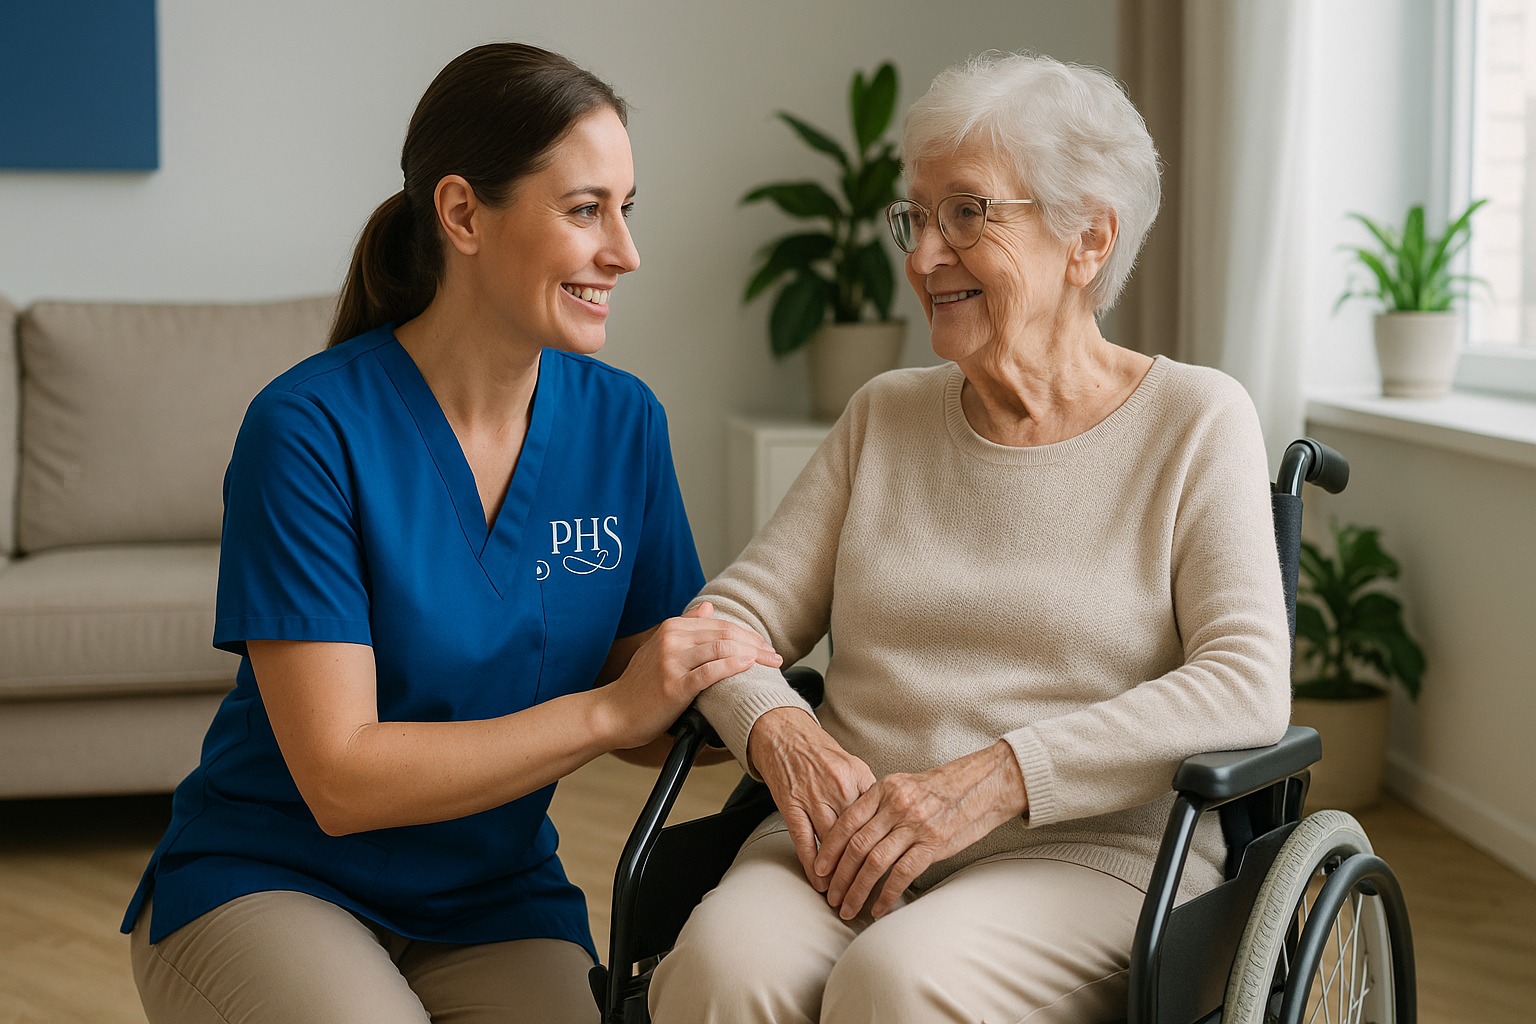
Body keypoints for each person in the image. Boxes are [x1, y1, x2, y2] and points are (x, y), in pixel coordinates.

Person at [122, 43, 779, 1024]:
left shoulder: (623, 423)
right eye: (585, 210)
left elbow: (656, 701)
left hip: (493, 897)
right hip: (273, 876)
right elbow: (341, 778)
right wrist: (607, 712)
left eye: (626, 209)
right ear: (464, 213)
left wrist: (784, 709)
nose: (625, 253)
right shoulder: (307, 431)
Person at [648, 52, 1291, 1024]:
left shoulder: (1196, 420)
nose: (921, 258)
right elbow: (726, 621)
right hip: (854, 838)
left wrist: (999, 777)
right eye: (916, 217)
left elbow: (1244, 684)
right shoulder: (885, 415)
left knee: (897, 981)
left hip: (1089, 852)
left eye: (966, 214)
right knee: (719, 972)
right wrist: (781, 732)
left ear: (1089, 238)